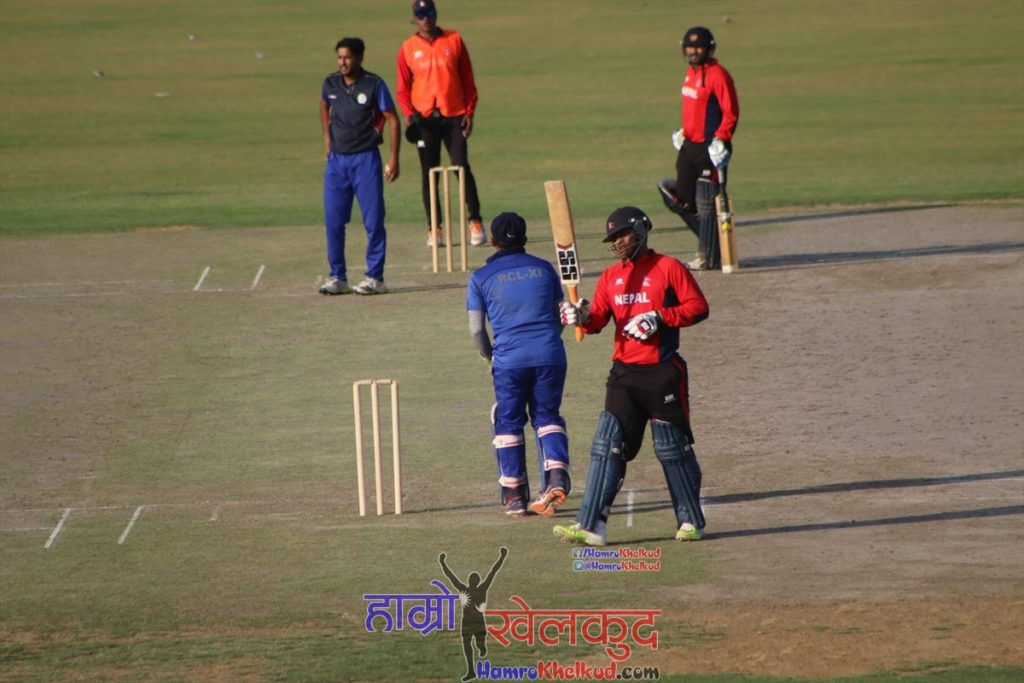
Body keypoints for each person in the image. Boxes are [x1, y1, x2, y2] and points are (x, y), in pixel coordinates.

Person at [553, 207, 709, 547]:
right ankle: (591, 524)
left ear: (642, 231)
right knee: (606, 445)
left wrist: (660, 316)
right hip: (624, 373)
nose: (619, 243)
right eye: (614, 239)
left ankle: (690, 520)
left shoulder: (669, 267)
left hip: (662, 372)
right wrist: (579, 316)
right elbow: (596, 321)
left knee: (672, 449)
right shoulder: (611, 276)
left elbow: (698, 307)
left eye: (624, 235)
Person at [466, 212, 571, 518]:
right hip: (551, 353)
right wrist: (549, 340)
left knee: (509, 420)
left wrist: (490, 357)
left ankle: (514, 496)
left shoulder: (480, 277)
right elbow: (560, 314)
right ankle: (556, 477)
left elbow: (476, 331)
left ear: (494, 241)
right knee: (547, 416)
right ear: (525, 238)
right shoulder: (544, 269)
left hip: (509, 360)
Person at [397, 0, 487, 248]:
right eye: (421, 14)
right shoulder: (407, 48)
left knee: (461, 166)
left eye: (430, 13)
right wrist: (408, 115)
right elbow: (403, 89)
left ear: (436, 14)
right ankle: (434, 228)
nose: (426, 18)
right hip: (424, 119)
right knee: (429, 173)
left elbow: (468, 80)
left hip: (454, 114)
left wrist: (470, 111)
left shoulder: (454, 40)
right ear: (415, 18)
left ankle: (475, 221)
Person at [319, 37, 400, 296]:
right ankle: (337, 278)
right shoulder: (330, 83)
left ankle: (374, 278)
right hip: (337, 162)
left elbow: (393, 120)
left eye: (348, 58)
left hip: (366, 159)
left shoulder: (374, 84)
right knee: (333, 221)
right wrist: (327, 139)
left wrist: (394, 158)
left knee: (373, 220)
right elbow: (324, 105)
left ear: (360, 58)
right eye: (340, 57)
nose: (343, 62)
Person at [657, 26, 739, 271]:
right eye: (690, 48)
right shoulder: (690, 73)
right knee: (678, 196)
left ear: (709, 49)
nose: (693, 52)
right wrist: (683, 131)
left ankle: (707, 255)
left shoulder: (718, 75)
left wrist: (721, 140)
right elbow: (695, 109)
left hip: (710, 148)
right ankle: (715, 248)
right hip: (689, 146)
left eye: (699, 48)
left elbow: (730, 112)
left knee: (706, 202)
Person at [438, 547, 508, 682]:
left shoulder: (464, 590)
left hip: (468, 622)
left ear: (470, 581)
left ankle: (476, 658)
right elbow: (493, 572)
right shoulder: (482, 588)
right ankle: (473, 665)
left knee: (469, 644)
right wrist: (502, 556)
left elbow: (451, 577)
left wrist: (442, 562)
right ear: (477, 581)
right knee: (471, 643)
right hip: (477, 622)